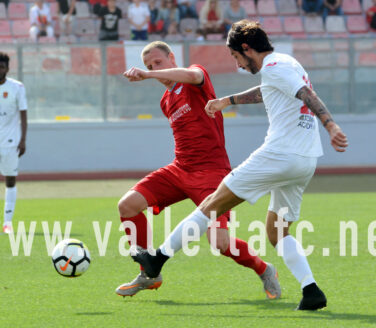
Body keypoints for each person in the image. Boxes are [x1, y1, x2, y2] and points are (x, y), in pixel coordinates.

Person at [131, 20, 348, 311]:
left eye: (236, 57)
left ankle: (156, 259)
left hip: (279, 154)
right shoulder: (285, 64)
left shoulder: (273, 67)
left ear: (246, 48)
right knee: (277, 232)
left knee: (211, 205)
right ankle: (311, 290)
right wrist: (228, 101)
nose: (239, 65)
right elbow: (269, 90)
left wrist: (331, 125)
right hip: (305, 160)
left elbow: (306, 95)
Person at [116, 41, 281, 299]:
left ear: (172, 57)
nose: (153, 69)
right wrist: (150, 73)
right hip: (180, 169)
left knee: (220, 243)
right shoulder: (165, 101)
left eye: (158, 62)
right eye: (149, 66)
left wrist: (147, 74)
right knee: (127, 205)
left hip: (212, 173)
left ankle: (264, 269)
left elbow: (192, 75)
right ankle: (149, 273)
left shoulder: (196, 75)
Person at [0, 53, 28, 234]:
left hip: (10, 142)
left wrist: (23, 139)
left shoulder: (17, 87)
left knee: (10, 180)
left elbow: (23, 113)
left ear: (8, 68)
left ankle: (7, 223)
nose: (0, 70)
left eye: (2, 66)